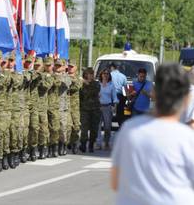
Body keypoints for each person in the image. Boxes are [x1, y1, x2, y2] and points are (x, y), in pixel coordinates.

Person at [111, 63, 194, 205]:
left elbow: (115, 181)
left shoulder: (129, 130)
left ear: (155, 93)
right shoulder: (187, 138)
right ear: (186, 100)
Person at [79, 68, 101, 153]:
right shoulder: (81, 84)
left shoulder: (96, 84)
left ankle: (91, 144)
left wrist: (86, 83)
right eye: (89, 74)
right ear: (85, 74)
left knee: (94, 129)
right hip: (85, 109)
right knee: (84, 128)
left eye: (92, 74)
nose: (91, 75)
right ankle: (83, 144)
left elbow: (93, 92)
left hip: (95, 109)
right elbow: (80, 96)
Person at [98, 68, 118, 150]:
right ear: (101, 75)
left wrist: (114, 107)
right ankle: (98, 143)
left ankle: (106, 142)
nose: (105, 75)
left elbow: (115, 98)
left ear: (109, 75)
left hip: (108, 107)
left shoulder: (111, 85)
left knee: (107, 127)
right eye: (104, 73)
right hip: (98, 106)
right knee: (97, 126)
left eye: (107, 74)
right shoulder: (97, 84)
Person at [67, 60, 82, 154]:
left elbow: (76, 87)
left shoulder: (78, 78)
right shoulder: (64, 76)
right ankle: (68, 141)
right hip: (64, 105)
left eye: (72, 67)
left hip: (74, 106)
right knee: (67, 126)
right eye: (69, 66)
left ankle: (75, 142)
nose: (70, 68)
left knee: (76, 126)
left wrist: (70, 80)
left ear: (76, 68)